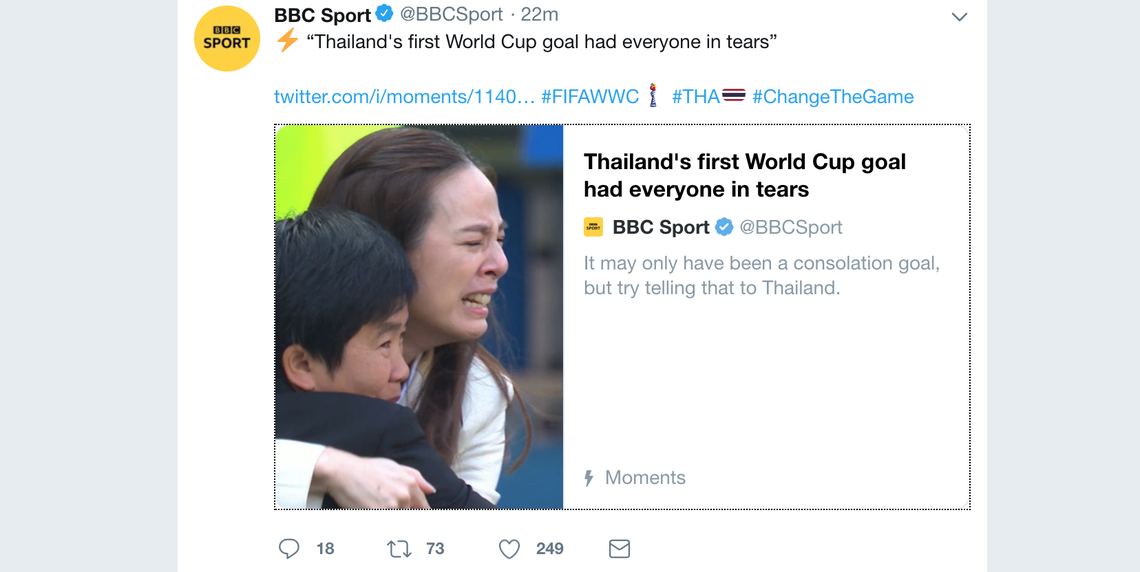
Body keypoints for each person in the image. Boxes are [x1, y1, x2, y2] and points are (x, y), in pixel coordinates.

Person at [276, 127, 530, 506]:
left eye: (501, 240)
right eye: (474, 242)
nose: (500, 264)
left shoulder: (482, 393)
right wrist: (323, 466)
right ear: (381, 246)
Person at [274, 207, 494, 509]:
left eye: (401, 338)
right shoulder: (380, 430)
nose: (401, 369)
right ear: (302, 364)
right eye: (384, 343)